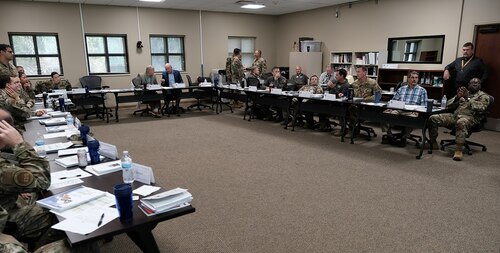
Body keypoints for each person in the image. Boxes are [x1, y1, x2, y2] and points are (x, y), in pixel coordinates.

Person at [428, 78, 490, 161]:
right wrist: (457, 97)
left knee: (461, 122)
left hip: (471, 118)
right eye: (472, 83)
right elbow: (447, 104)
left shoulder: (483, 96)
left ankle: (458, 150)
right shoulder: (464, 93)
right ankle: (433, 142)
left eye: (477, 83)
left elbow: (481, 107)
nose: (475, 84)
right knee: (433, 118)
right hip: (455, 116)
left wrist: (468, 99)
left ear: (480, 85)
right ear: (468, 85)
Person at [384, 71, 428, 147]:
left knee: (412, 118)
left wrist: (418, 112)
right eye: (412, 77)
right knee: (385, 114)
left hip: (412, 112)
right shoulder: (401, 89)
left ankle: (404, 137)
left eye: (416, 78)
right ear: (408, 79)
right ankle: (389, 135)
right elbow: (394, 101)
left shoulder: (422, 91)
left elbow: (424, 105)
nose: (414, 79)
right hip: (399, 110)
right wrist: (390, 108)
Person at [321, 69, 350, 135]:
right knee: (319, 105)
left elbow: (341, 96)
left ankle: (343, 130)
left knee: (340, 110)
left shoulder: (346, 85)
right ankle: (324, 124)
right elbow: (327, 91)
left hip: (339, 104)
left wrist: (333, 87)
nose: (335, 76)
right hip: (330, 101)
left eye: (337, 75)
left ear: (342, 76)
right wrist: (328, 87)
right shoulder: (336, 82)